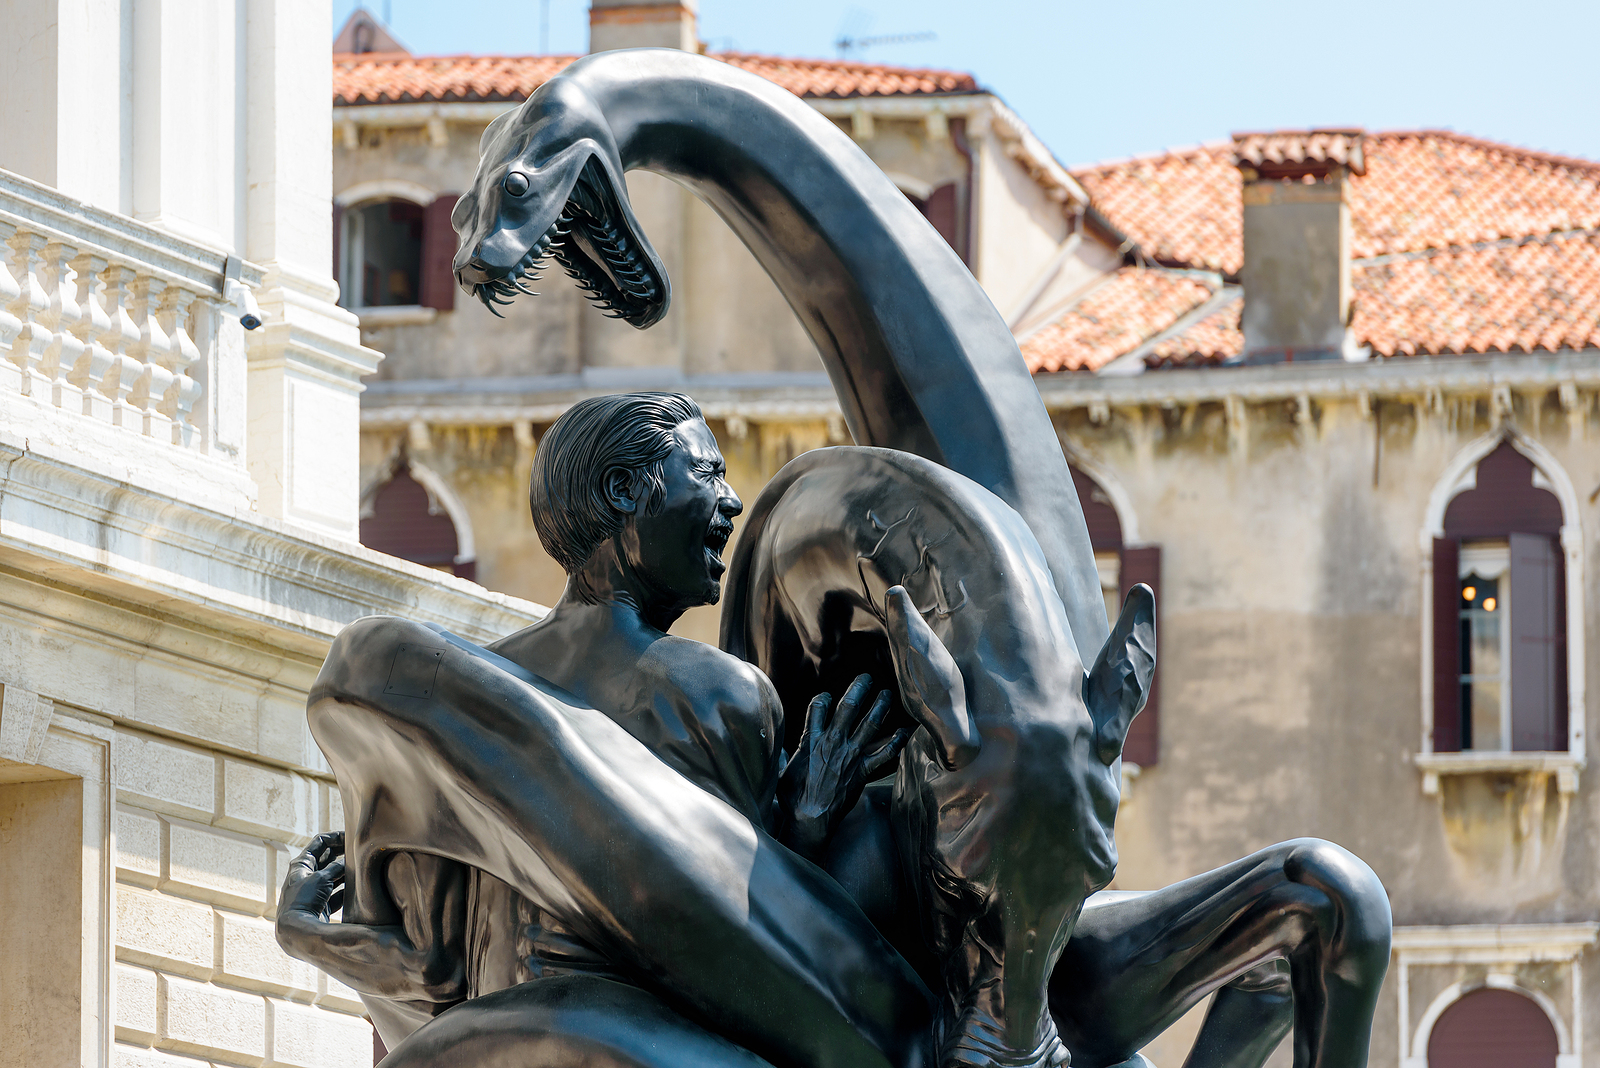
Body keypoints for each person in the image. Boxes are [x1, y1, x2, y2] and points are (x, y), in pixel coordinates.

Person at [278, 392, 924, 1068]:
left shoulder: (465, 710)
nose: (732, 502)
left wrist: (303, 933)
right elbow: (737, 952)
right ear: (623, 490)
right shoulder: (716, 694)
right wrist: (808, 829)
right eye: (707, 474)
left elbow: (428, 970)